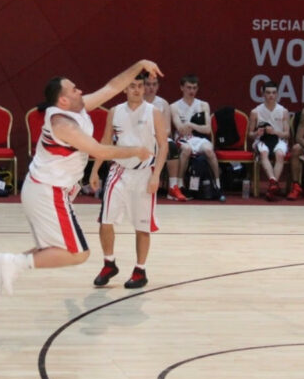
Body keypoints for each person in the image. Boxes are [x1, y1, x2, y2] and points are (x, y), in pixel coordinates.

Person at [0, 60, 161, 296]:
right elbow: (100, 151)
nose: (80, 90)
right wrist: (135, 150)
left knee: (54, 248)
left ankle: (10, 264)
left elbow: (112, 87)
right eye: (73, 89)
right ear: (63, 100)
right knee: (78, 253)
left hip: (44, 189)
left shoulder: (76, 107)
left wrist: (139, 64)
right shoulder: (63, 124)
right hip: (48, 191)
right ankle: (12, 263)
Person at [88, 71, 169, 289]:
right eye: (132, 85)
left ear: (144, 89)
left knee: (142, 226)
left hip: (144, 173)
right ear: (124, 88)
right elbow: (104, 142)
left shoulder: (154, 112)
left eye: (140, 86)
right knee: (105, 221)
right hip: (119, 172)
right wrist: (95, 170)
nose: (136, 89)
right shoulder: (114, 112)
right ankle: (109, 263)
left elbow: (164, 145)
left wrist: (156, 174)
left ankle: (140, 270)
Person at [170, 75, 225, 201]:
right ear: (182, 88)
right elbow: (180, 129)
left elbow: (206, 129)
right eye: (189, 87)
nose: (191, 91)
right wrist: (192, 126)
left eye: (194, 88)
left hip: (199, 138)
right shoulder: (174, 106)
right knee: (187, 149)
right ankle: (180, 185)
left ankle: (217, 185)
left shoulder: (203, 105)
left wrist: (190, 124)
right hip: (183, 139)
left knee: (209, 151)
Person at [143, 73, 186, 201]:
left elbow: (167, 129)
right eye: (148, 84)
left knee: (171, 145)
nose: (151, 87)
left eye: (154, 84)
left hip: (158, 138)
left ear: (158, 86)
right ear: (143, 86)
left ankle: (173, 187)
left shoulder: (163, 103)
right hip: (141, 138)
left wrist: (155, 135)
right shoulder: (138, 102)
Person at [249, 80, 291, 200]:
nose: (271, 95)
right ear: (263, 94)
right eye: (268, 93)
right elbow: (250, 135)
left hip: (278, 140)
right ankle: (274, 183)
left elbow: (287, 134)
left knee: (279, 154)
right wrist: (257, 132)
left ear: (277, 94)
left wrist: (275, 132)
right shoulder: (255, 112)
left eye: (273, 92)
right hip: (261, 140)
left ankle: (273, 185)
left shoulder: (283, 111)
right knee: (264, 152)